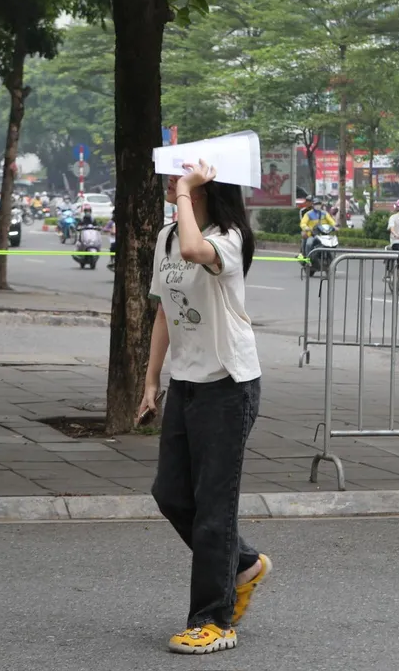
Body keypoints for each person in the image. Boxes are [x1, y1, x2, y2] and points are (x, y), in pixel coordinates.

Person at [136, 158, 269, 656]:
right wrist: (152, 381)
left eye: (184, 182)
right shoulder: (167, 236)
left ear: (210, 189)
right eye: (176, 182)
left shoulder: (230, 238)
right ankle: (242, 564)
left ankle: (213, 621)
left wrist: (187, 190)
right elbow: (164, 312)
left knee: (214, 509)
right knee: (170, 493)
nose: (174, 188)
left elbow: (197, 247)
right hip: (187, 382)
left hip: (228, 384)